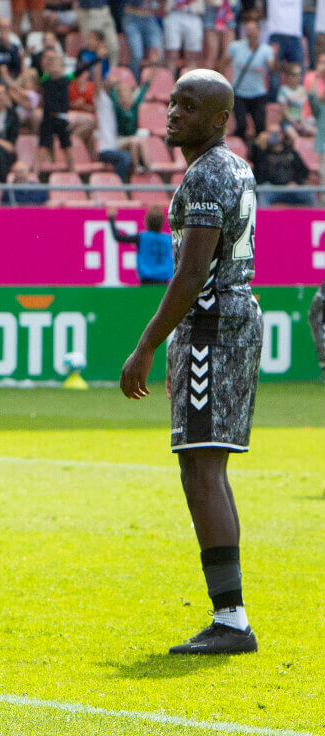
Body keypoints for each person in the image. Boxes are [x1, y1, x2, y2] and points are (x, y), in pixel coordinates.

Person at [120, 69, 261, 656]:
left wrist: (147, 346)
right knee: (208, 468)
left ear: (220, 118)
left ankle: (231, 618)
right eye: (172, 101)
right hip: (226, 324)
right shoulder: (232, 167)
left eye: (190, 104)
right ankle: (230, 613)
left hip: (211, 327)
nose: (173, 112)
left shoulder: (206, 175)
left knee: (201, 470)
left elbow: (190, 274)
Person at [224, 19, 277, 140]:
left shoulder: (266, 50)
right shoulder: (235, 47)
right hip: (239, 92)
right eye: (247, 30)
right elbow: (224, 62)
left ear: (259, 32)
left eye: (253, 30)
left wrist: (276, 56)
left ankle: (257, 153)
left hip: (258, 93)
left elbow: (273, 69)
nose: (250, 33)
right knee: (241, 125)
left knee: (260, 125)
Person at [106, 206, 174, 283]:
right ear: (162, 222)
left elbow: (118, 237)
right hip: (164, 280)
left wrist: (111, 218)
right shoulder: (169, 239)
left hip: (147, 280)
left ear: (147, 222)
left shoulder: (141, 237)